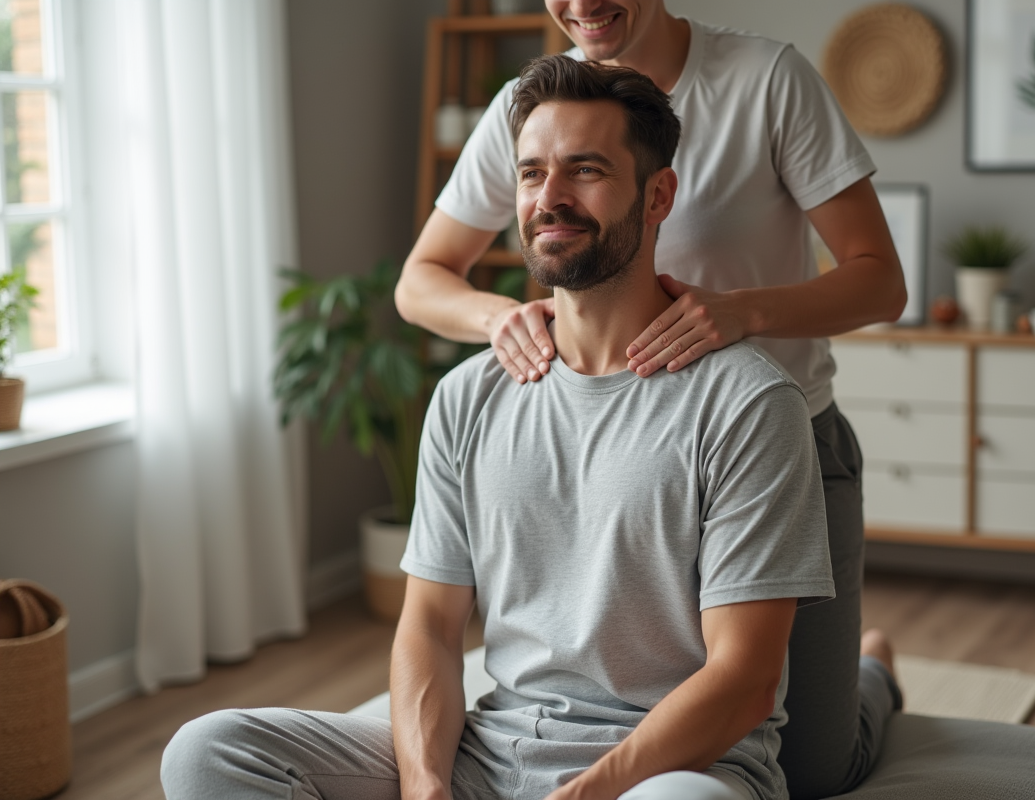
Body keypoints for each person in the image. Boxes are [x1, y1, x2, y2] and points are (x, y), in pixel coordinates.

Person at [160, 56, 899, 800]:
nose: (551, 198)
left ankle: (874, 672)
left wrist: (583, 793)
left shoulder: (748, 405)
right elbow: (430, 628)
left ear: (657, 196)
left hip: (669, 774)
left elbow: (743, 681)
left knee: (799, 769)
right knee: (207, 753)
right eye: (531, 174)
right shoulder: (466, 398)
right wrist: (425, 787)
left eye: (586, 171)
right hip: (494, 752)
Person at [394, 3, 906, 797]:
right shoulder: (532, 105)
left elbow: (881, 279)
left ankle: (871, 671)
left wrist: (744, 312)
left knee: (810, 766)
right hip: (603, 432)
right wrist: (506, 323)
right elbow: (421, 281)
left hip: (769, 436)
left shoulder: (766, 83)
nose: (582, 3)